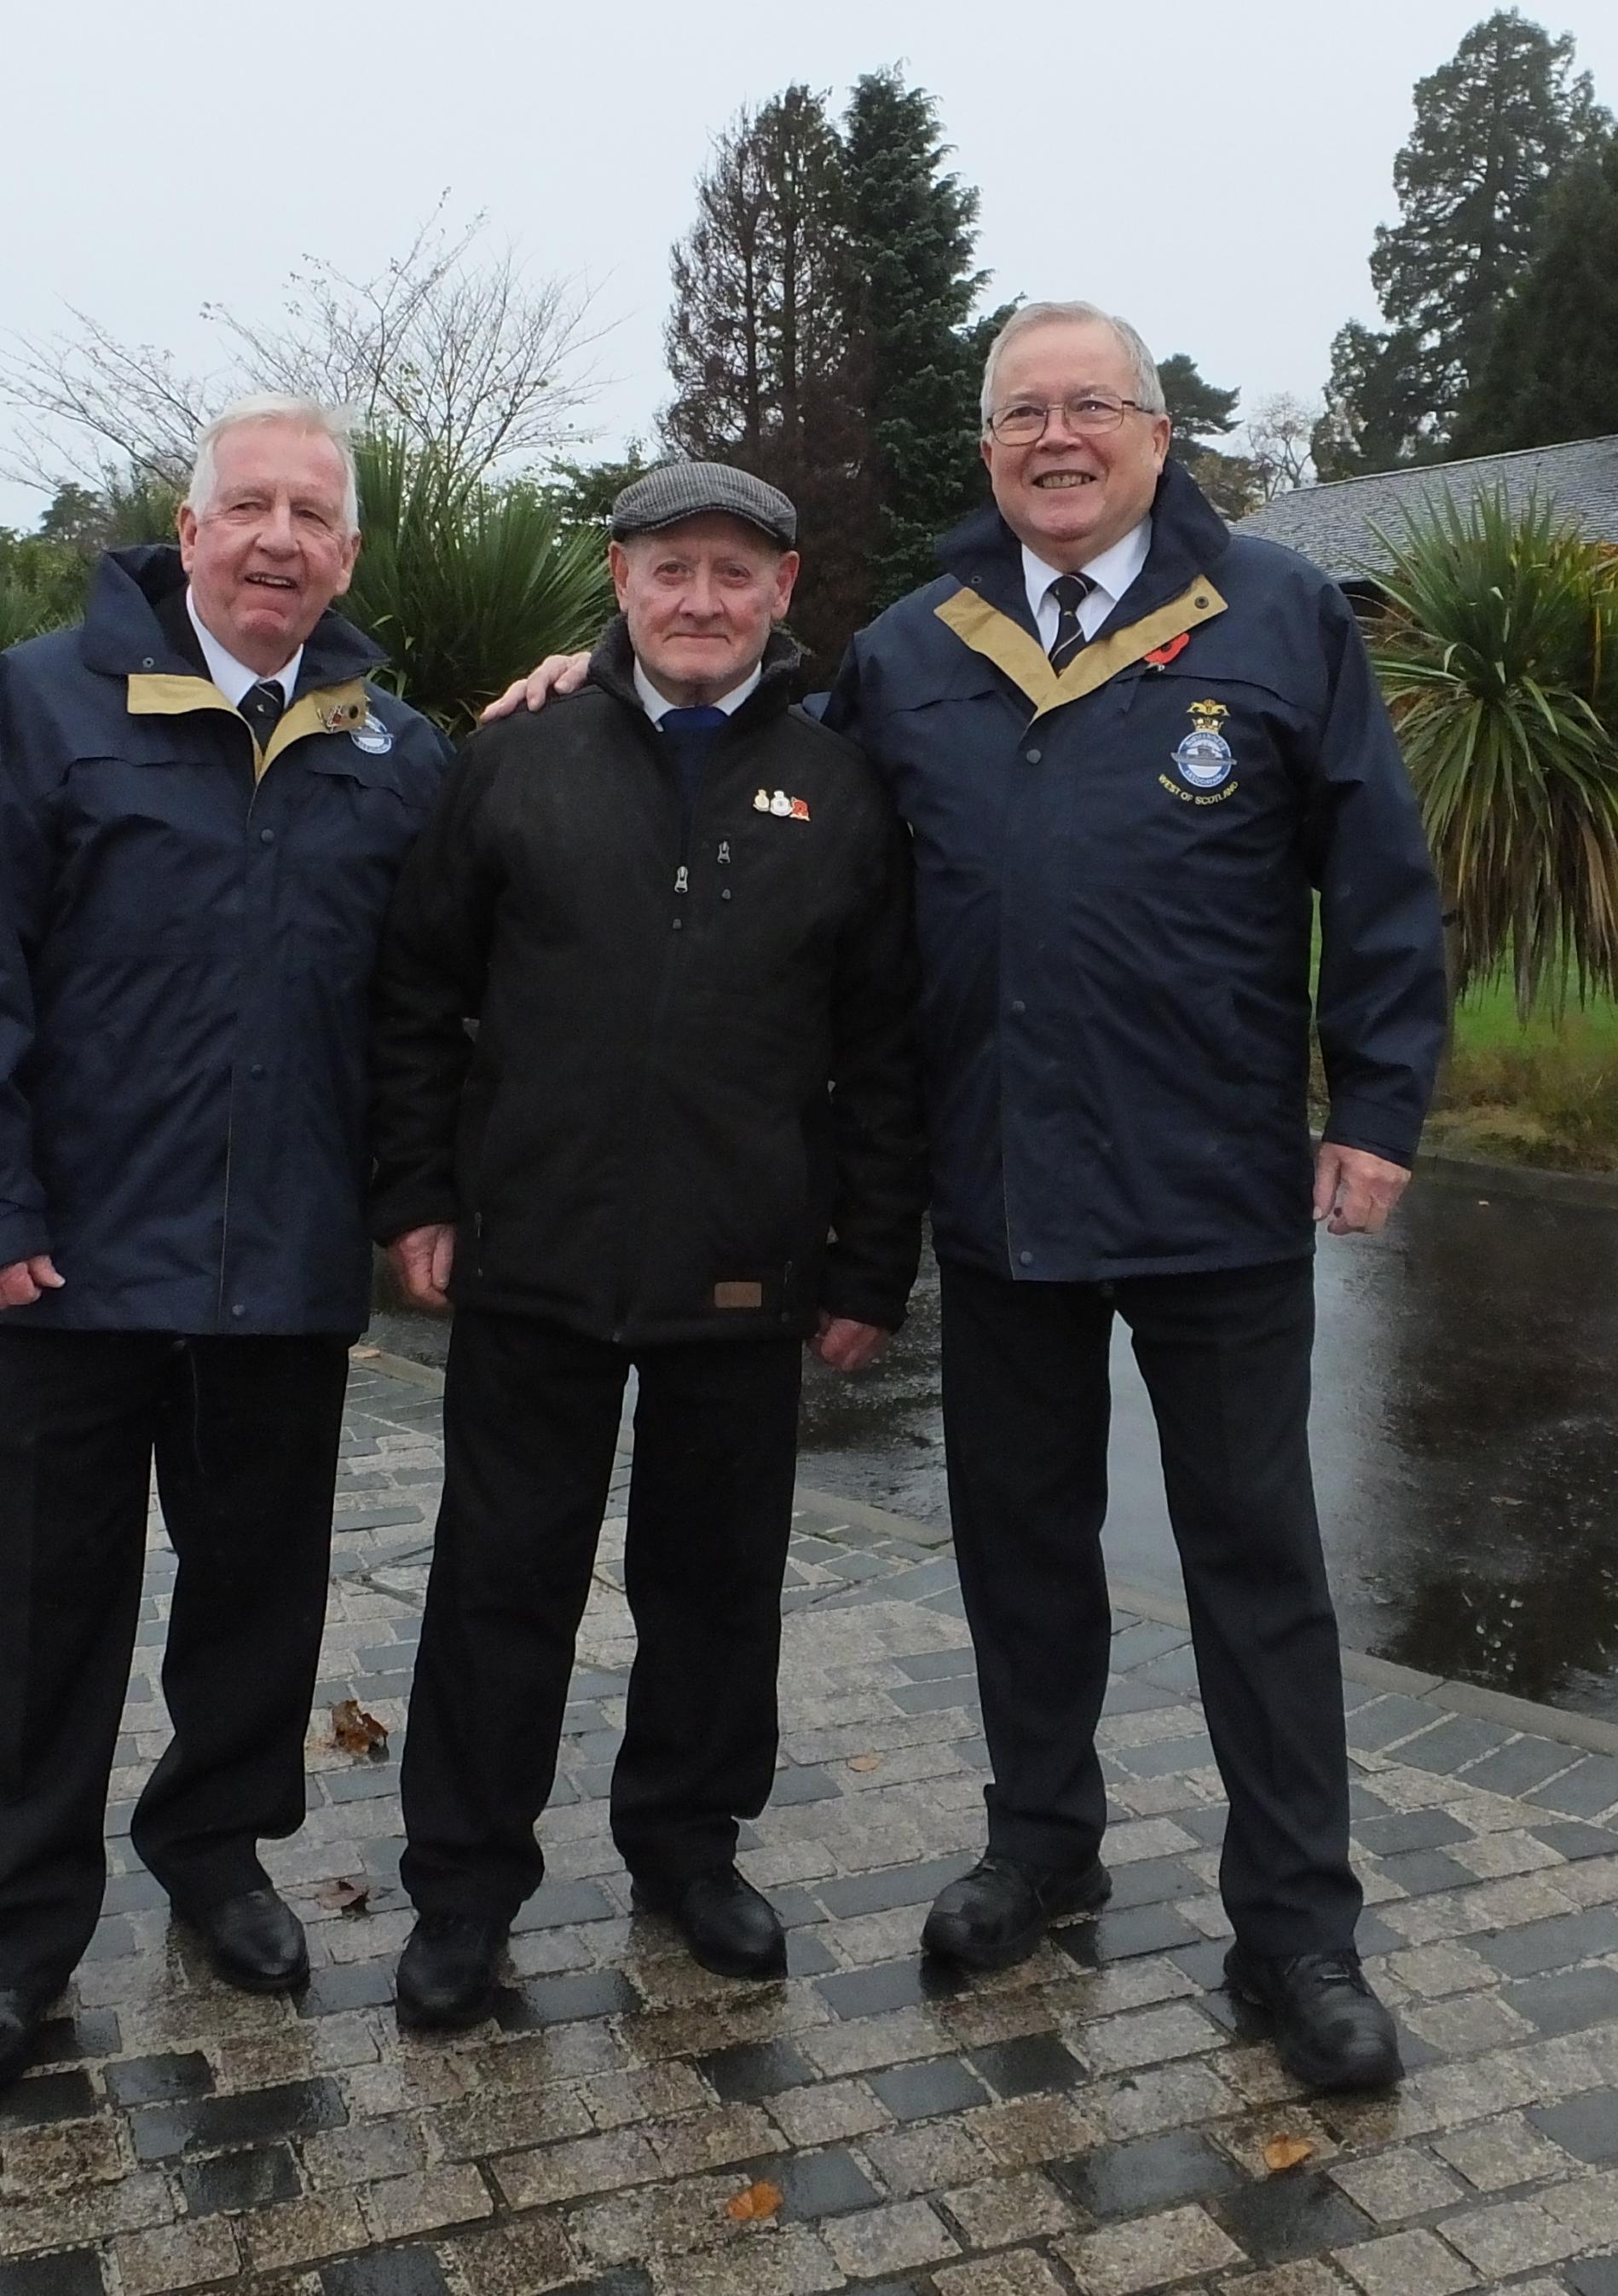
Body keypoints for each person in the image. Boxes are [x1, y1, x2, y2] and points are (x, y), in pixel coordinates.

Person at [486, 304, 1448, 2093]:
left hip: (1212, 1181)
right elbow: (741, 726)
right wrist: (582, 680)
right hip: (998, 1189)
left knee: (1257, 1568)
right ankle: (1043, 1843)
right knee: (1020, 1546)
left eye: (1094, 407)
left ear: (1160, 439)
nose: (1058, 436)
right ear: (988, 447)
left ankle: (1296, 1929)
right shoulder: (920, 650)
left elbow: (1379, 875)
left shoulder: (1282, 618)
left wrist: (1380, 1105)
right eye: (1024, 412)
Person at [0, 394, 450, 2100]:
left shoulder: (395, 752)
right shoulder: (45, 708)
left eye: (312, 515)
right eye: (248, 507)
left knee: (256, 1605)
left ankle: (217, 1856)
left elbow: (423, 1010)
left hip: (277, 1277)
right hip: (62, 1276)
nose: (279, 538)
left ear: (347, 553)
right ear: (189, 529)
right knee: (39, 1623)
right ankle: (15, 1940)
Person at [370, 462, 926, 2028]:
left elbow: (884, 1049)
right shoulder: (516, 760)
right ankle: (465, 1889)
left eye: (732, 573)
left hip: (742, 1270)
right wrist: (416, 1195)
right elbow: (417, 995)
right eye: (671, 568)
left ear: (784, 588)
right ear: (617, 579)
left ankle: (688, 1847)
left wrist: (870, 1263)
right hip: (531, 1257)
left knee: (716, 1581)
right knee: (501, 1582)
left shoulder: (841, 784)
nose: (700, 600)